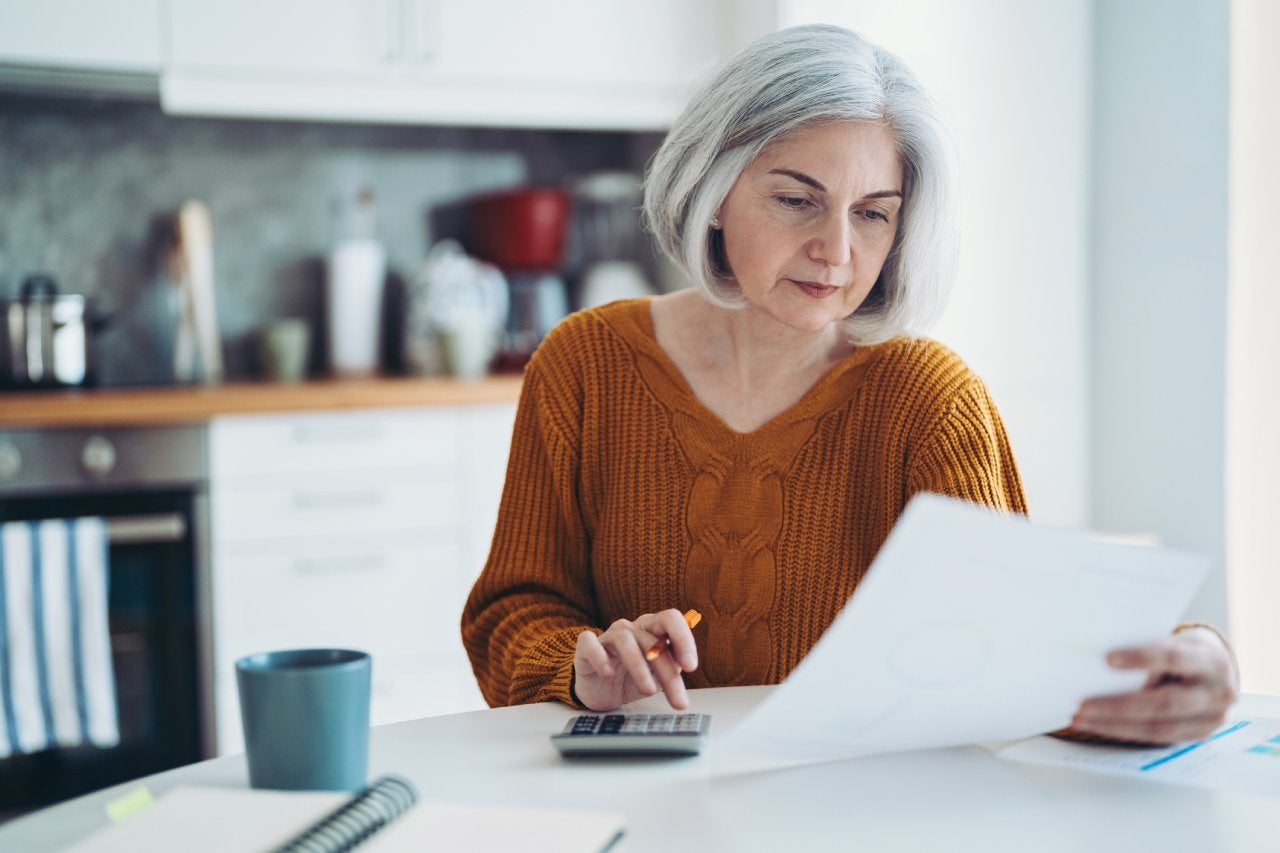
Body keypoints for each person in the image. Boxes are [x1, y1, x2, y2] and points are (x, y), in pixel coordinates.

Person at [461, 23, 1238, 746]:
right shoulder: (585, 365)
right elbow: (512, 613)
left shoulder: (928, 399)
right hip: (643, 808)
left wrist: (1191, 652)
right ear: (714, 189)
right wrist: (583, 666)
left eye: (873, 214)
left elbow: (1019, 658)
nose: (835, 251)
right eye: (797, 199)